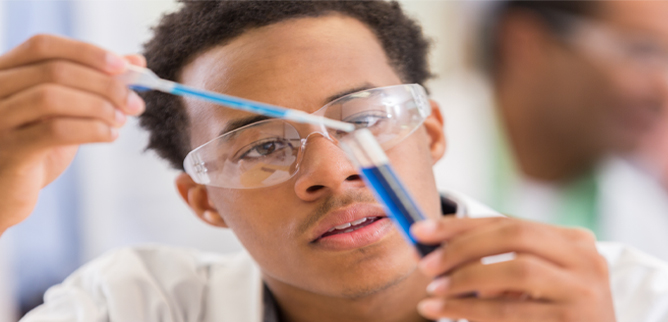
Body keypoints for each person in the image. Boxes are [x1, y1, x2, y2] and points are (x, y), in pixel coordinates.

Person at [0, 1, 666, 321]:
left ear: (431, 133)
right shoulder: (134, 307)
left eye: (362, 121)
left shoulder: (620, 300)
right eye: (262, 146)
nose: (331, 170)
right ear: (204, 202)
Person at [434, 0, 668, 261]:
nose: (663, 88)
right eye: (642, 51)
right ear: (527, 44)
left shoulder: (643, 215)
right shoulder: (416, 162)